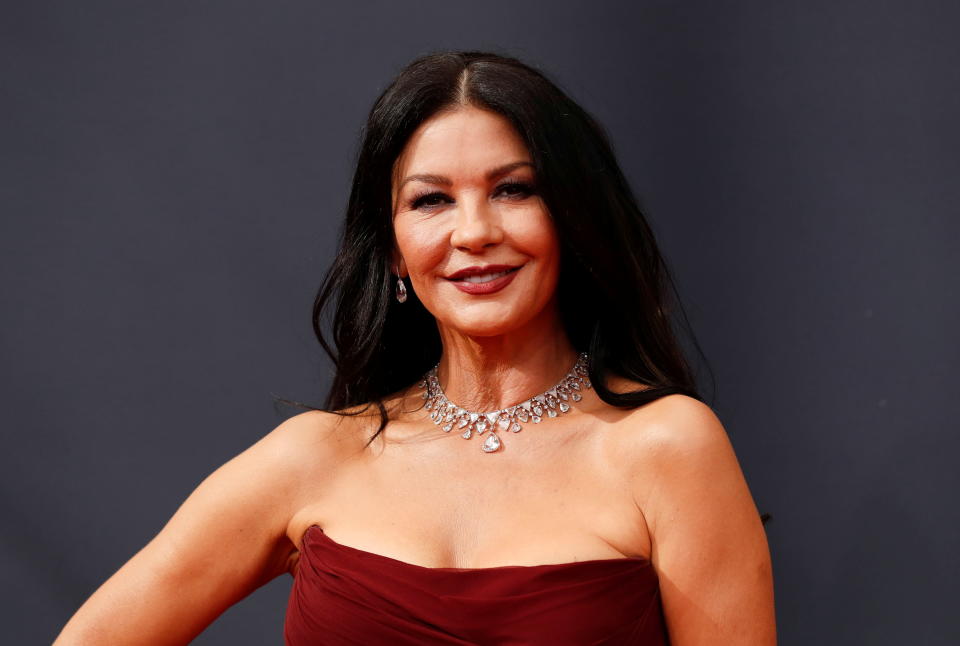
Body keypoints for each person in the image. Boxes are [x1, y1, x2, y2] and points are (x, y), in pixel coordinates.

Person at [55, 50, 776, 645]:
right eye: (432, 200)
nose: (473, 232)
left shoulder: (668, 449)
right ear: (396, 251)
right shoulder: (316, 457)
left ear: (574, 218)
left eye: (514, 190)